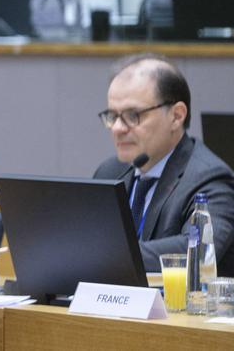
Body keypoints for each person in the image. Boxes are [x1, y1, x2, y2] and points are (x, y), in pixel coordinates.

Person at [93, 53, 234, 275]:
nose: (118, 128)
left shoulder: (210, 179)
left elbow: (198, 251)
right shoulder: (110, 172)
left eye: (133, 115)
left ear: (176, 116)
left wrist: (108, 256)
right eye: (112, 116)